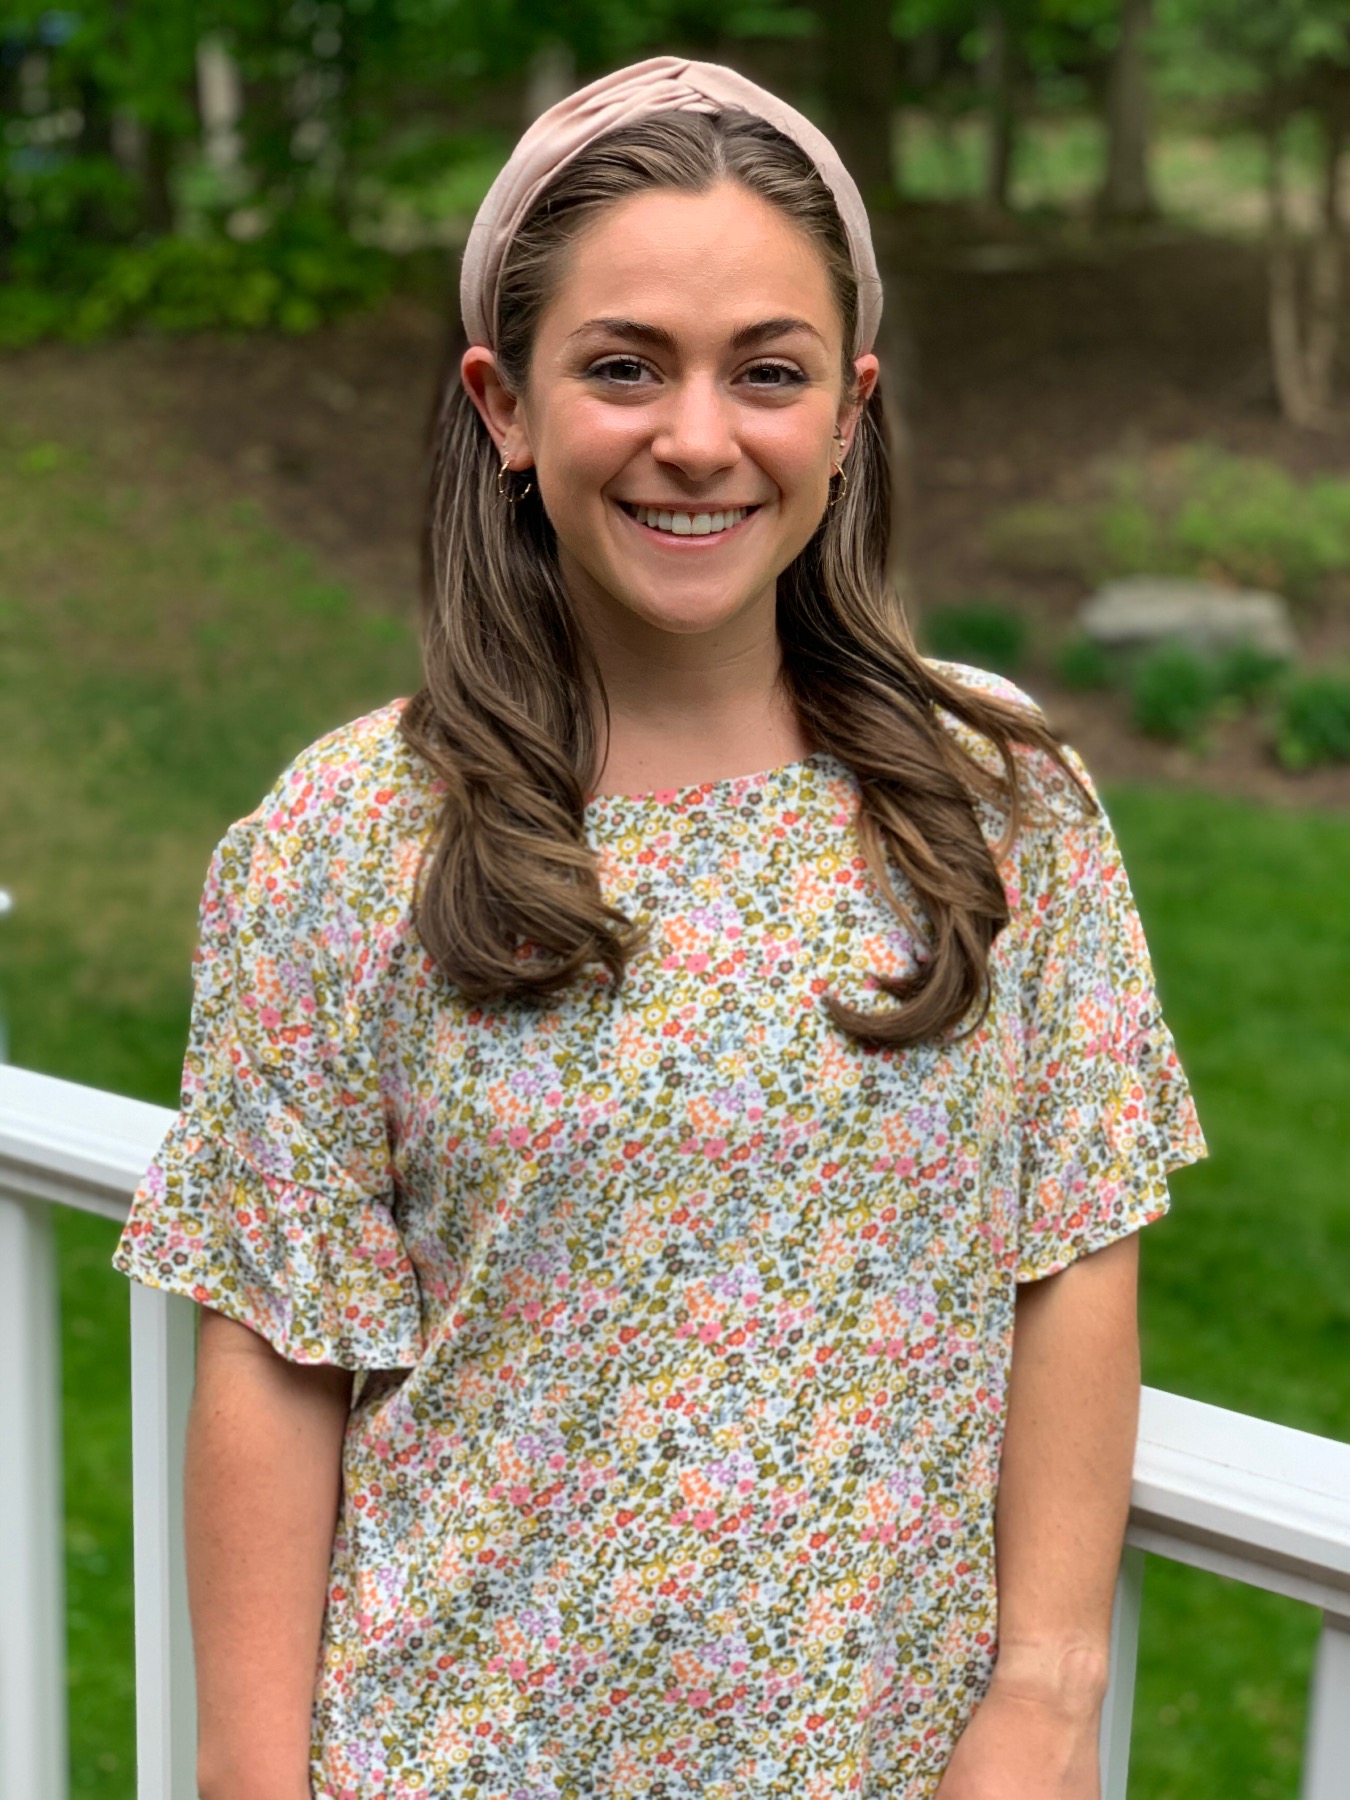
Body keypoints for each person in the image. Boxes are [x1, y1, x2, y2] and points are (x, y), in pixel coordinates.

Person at [114, 55, 1205, 1800]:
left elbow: (1073, 1237)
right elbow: (276, 1342)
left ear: (845, 414)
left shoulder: (991, 797)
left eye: (763, 374)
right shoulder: (346, 842)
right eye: (622, 367)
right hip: (455, 1755)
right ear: (504, 404)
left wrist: (1048, 1697)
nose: (697, 437)